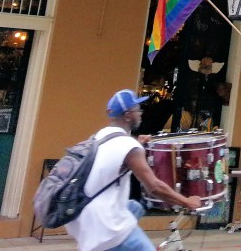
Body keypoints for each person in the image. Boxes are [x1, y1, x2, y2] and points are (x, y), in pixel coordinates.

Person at [66, 89, 204, 251]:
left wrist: (137, 143)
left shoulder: (100, 136)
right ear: (127, 115)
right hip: (108, 229)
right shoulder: (129, 146)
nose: (141, 113)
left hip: (84, 222)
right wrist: (187, 201)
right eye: (137, 110)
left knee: (135, 207)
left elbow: (120, 148)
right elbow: (154, 187)